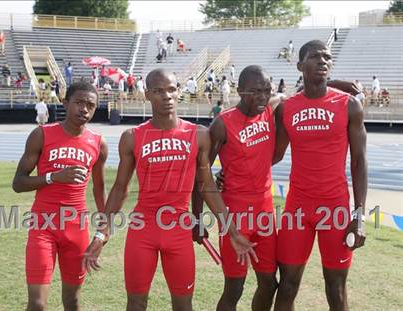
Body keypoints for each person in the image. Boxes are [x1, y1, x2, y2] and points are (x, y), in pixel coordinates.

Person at [83, 69, 257, 311]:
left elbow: (207, 187)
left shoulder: (198, 135)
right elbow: (120, 189)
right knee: (135, 303)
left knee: (184, 305)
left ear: (179, 92)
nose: (166, 96)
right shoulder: (132, 137)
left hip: (178, 231)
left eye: (172, 89)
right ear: (147, 95)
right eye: (158, 91)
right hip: (143, 230)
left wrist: (232, 231)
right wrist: (101, 234)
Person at [273, 40, 367, 311]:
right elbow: (274, 155)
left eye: (327, 57)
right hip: (298, 208)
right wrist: (229, 170)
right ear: (300, 65)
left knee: (335, 290)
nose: (323, 61)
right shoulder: (287, 107)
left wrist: (358, 215)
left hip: (335, 207)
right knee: (287, 285)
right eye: (315, 57)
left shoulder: (349, 106)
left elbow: (359, 162)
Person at [12, 81, 108, 311]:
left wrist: (103, 231)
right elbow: (18, 183)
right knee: (37, 304)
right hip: (43, 226)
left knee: (72, 301)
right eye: (78, 103)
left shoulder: (98, 143)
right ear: (65, 103)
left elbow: (99, 189)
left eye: (90, 105)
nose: (84, 109)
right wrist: (52, 177)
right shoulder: (41, 135)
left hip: (76, 228)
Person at [193, 65, 279, 311]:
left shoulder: (269, 110)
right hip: (236, 214)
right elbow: (201, 176)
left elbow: (295, 93)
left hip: (265, 212)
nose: (261, 96)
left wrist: (342, 85)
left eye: (266, 90)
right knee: (234, 288)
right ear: (240, 91)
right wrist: (197, 220)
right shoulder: (222, 124)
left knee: (269, 283)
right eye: (254, 91)